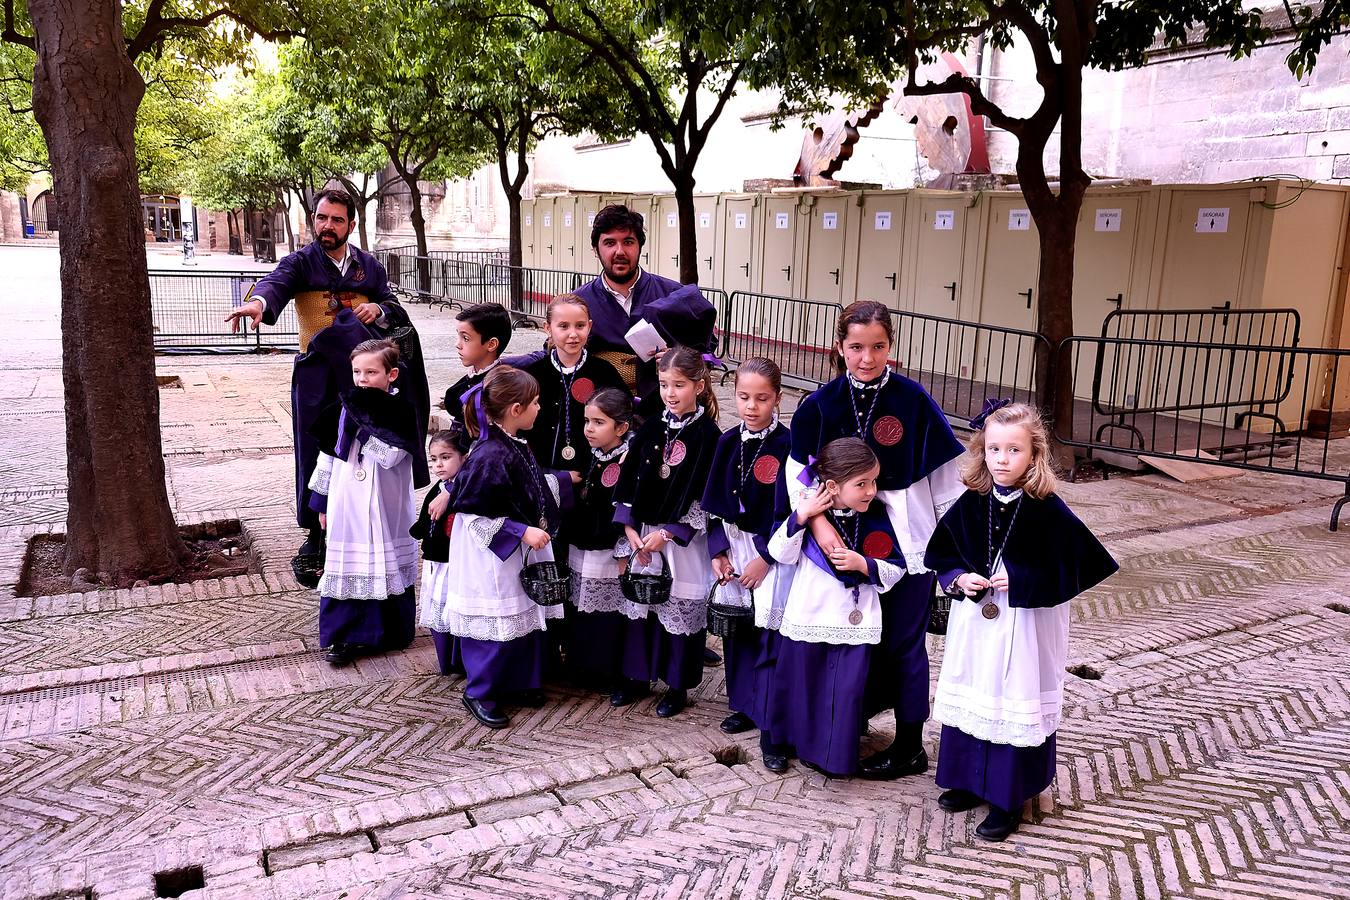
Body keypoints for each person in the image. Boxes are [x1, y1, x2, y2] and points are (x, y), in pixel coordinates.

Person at [780, 300, 966, 779]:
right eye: (856, 347)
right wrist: (821, 534)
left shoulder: (913, 399)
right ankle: (846, 727)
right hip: (834, 547)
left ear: (891, 347)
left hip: (905, 546)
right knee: (853, 644)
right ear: (839, 348)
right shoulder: (819, 405)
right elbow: (799, 479)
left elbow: (946, 484)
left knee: (903, 646)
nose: (867, 358)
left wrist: (950, 554)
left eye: (878, 347)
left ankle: (909, 746)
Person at [925, 400, 1117, 841]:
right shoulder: (972, 502)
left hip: (1025, 625)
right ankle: (969, 779)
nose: (1002, 460)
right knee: (977, 689)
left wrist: (1023, 575)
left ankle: (1008, 797)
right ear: (982, 451)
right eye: (994, 450)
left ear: (1034, 454)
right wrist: (959, 578)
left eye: (1014, 451)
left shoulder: (1047, 509)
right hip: (977, 624)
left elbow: (1081, 566)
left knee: (1011, 695)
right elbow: (943, 554)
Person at [223, 188, 430, 587]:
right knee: (315, 448)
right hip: (317, 376)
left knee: (364, 448)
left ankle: (369, 522)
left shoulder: (369, 266)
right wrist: (258, 304)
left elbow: (392, 305)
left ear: (351, 225)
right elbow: (275, 284)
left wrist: (381, 309)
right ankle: (315, 534)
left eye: (336, 219)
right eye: (321, 218)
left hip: (363, 379)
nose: (327, 226)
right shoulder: (300, 262)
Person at [423, 367, 565, 730]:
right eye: (535, 403)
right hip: (492, 553)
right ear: (515, 409)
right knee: (494, 622)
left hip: (518, 548)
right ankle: (480, 691)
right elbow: (472, 514)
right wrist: (521, 531)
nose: (539, 408)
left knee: (521, 618)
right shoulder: (490, 453)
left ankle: (519, 682)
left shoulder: (511, 442)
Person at [763, 438, 908, 775]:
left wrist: (864, 564)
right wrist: (801, 516)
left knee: (842, 693)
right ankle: (784, 742)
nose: (871, 491)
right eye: (861, 484)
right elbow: (779, 553)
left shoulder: (877, 516)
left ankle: (831, 755)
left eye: (874, 481)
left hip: (855, 623)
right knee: (802, 685)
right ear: (832, 486)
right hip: (809, 615)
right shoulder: (810, 515)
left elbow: (896, 568)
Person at [611, 347, 722, 717]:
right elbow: (628, 481)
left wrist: (671, 533)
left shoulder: (709, 436)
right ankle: (636, 677)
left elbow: (708, 494)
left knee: (679, 611)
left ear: (699, 385)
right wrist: (629, 530)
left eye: (679, 385)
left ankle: (676, 686)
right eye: (663, 385)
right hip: (643, 536)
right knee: (640, 605)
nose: (670, 393)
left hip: (680, 540)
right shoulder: (652, 427)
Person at [307, 338, 425, 666]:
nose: (362, 379)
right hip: (346, 503)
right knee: (349, 564)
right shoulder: (343, 407)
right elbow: (327, 457)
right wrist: (320, 503)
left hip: (385, 504)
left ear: (392, 374)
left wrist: (363, 428)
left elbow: (393, 455)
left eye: (371, 372)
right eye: (357, 371)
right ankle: (344, 637)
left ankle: (390, 632)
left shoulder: (402, 410)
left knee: (384, 562)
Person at [701, 357, 791, 740]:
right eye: (743, 397)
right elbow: (711, 504)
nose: (752, 407)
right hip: (734, 547)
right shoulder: (726, 441)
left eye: (762, 399)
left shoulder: (789, 445)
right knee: (736, 630)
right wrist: (718, 551)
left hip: (769, 552)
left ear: (778, 399)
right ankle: (741, 703)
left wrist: (766, 559)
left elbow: (793, 512)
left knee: (768, 632)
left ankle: (767, 706)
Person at [572, 205, 718, 410]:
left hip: (665, 414)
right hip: (603, 419)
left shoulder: (674, 295)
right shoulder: (578, 303)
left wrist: (678, 358)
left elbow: (706, 353)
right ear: (596, 249)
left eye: (628, 242)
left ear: (640, 246)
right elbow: (558, 355)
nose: (620, 251)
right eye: (609, 243)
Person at [562, 388, 636, 687]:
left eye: (598, 423)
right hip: (582, 544)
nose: (589, 429)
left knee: (605, 615)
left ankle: (608, 670)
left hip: (607, 551)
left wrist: (621, 551)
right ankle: (582, 665)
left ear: (621, 428)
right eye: (587, 421)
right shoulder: (592, 454)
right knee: (581, 608)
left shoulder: (627, 462)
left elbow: (627, 512)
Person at [516, 295, 627, 475]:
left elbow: (625, 415)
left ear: (589, 326)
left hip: (592, 473)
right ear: (548, 328)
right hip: (540, 472)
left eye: (580, 326)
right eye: (563, 326)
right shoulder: (533, 374)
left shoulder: (604, 372)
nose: (573, 334)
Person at [411, 425, 474, 676]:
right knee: (439, 606)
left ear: (464, 458)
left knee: (453, 607)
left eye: (446, 458)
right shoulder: (439, 489)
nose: (439, 465)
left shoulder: (462, 491)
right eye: (434, 459)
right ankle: (446, 660)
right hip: (437, 560)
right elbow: (427, 517)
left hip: (455, 562)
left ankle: (459, 660)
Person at [443, 303, 513, 424]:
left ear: (491, 344)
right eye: (458, 336)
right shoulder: (472, 377)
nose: (457, 344)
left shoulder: (495, 389)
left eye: (465, 338)